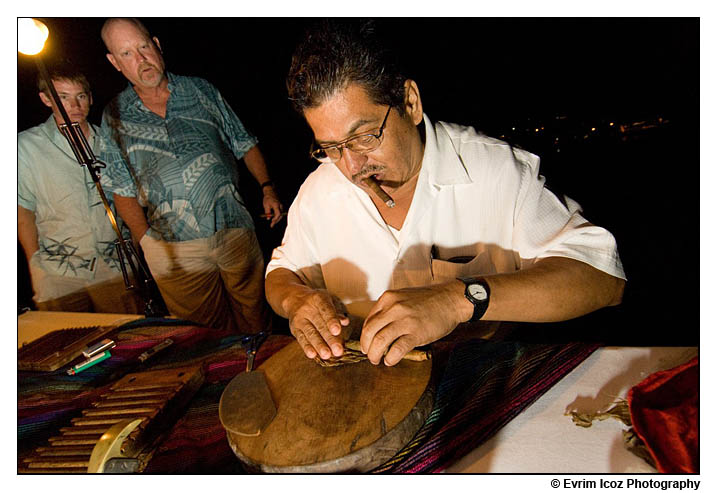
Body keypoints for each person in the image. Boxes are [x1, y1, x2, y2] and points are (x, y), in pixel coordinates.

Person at [265, 20, 627, 366]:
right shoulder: (319, 191)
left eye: (364, 137)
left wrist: (457, 299)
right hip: (366, 391)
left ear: (410, 102)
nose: (352, 167)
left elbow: (602, 278)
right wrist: (298, 300)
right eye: (331, 147)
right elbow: (282, 272)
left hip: (478, 381)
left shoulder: (494, 171)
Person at [98, 18, 283, 333]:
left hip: (233, 229)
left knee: (257, 320)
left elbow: (244, 143)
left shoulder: (200, 89)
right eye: (127, 54)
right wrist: (148, 242)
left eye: (144, 46)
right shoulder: (114, 115)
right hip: (174, 251)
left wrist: (267, 188)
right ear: (115, 63)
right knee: (205, 333)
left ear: (157, 44)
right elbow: (121, 189)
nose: (141, 59)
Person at [18, 65, 144, 314]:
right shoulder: (25, 146)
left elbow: (132, 199)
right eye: (63, 97)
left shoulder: (111, 141)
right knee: (66, 342)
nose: (74, 105)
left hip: (115, 268)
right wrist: (35, 265)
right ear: (46, 99)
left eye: (81, 96)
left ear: (90, 98)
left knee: (129, 337)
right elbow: (23, 209)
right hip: (58, 270)